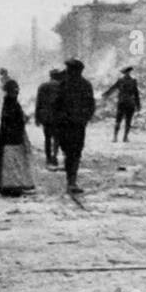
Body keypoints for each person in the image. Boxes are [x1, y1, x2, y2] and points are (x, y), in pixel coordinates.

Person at [52, 59, 95, 194]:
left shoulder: (65, 84)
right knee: (73, 152)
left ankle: (71, 181)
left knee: (72, 152)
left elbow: (90, 105)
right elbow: (91, 105)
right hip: (73, 124)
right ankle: (71, 180)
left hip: (71, 124)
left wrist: (84, 118)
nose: (68, 72)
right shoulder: (82, 84)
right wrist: (84, 118)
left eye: (70, 69)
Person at [0, 79, 34, 196]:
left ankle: (8, 185)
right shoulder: (11, 103)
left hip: (9, 137)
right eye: (14, 89)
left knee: (8, 162)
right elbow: (13, 121)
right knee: (12, 162)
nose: (16, 91)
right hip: (12, 137)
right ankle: (11, 185)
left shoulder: (8, 102)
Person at [34, 69, 64, 167]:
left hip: (46, 117)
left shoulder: (42, 86)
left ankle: (48, 158)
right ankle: (54, 156)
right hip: (58, 116)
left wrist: (37, 117)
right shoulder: (62, 87)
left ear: (50, 76)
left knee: (47, 138)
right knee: (57, 138)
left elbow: (38, 103)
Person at [103, 66, 141, 142]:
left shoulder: (120, 80)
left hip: (122, 102)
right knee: (128, 120)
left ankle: (115, 137)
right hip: (130, 103)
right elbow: (136, 94)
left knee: (118, 119)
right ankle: (125, 137)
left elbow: (113, 88)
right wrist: (138, 104)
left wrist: (105, 94)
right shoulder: (133, 81)